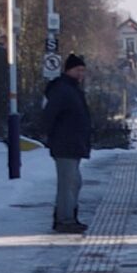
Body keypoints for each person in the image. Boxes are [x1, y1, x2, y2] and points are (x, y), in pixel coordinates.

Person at [39, 54, 95, 232]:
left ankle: (68, 216)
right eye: (78, 70)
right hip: (65, 144)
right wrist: (48, 135)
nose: (81, 74)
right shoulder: (63, 90)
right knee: (68, 183)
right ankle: (65, 219)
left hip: (72, 143)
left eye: (83, 70)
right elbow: (49, 115)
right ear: (68, 70)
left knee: (74, 182)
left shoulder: (71, 89)